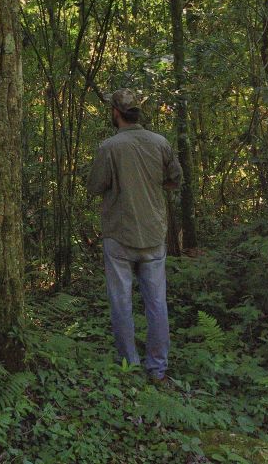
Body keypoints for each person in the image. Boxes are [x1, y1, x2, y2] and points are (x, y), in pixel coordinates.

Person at [87, 88, 183, 384]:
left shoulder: (110, 147)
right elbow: (175, 179)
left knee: (122, 302)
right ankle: (157, 369)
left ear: (115, 113)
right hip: (153, 234)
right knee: (156, 303)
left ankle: (129, 366)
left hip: (120, 235)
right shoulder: (160, 143)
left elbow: (94, 186)